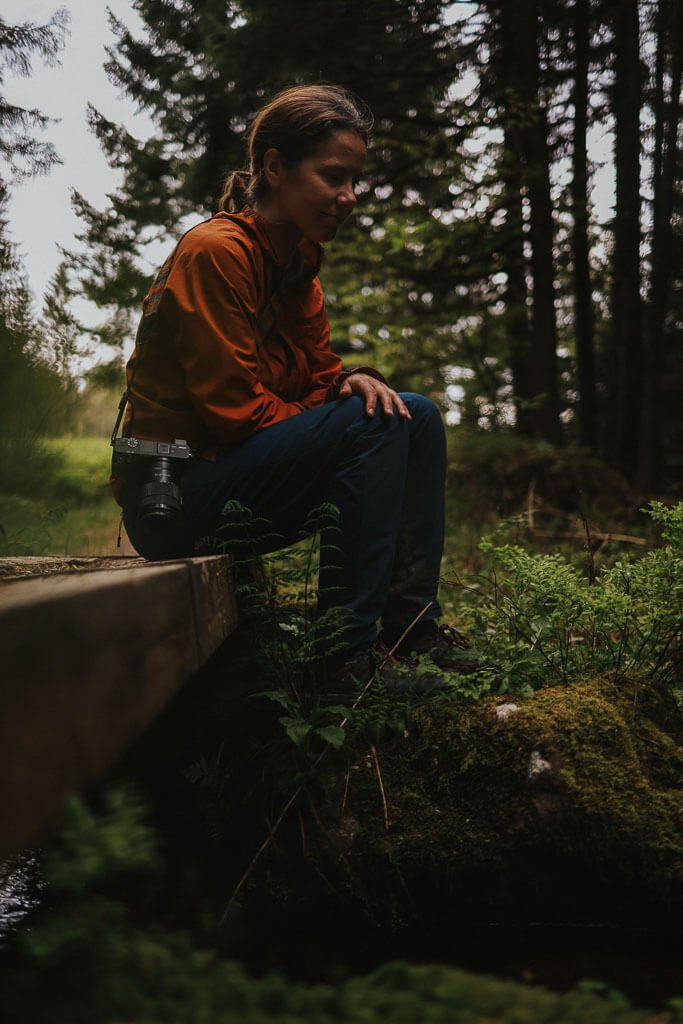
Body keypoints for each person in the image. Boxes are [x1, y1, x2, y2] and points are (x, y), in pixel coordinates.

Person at [113, 83, 477, 694]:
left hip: (241, 474)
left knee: (415, 415)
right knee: (376, 420)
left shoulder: (298, 261)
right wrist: (338, 408)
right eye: (334, 176)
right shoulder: (215, 253)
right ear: (275, 168)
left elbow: (317, 370)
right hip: (175, 500)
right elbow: (236, 415)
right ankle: (342, 660)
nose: (349, 196)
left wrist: (349, 380)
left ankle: (412, 630)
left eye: (355, 181)